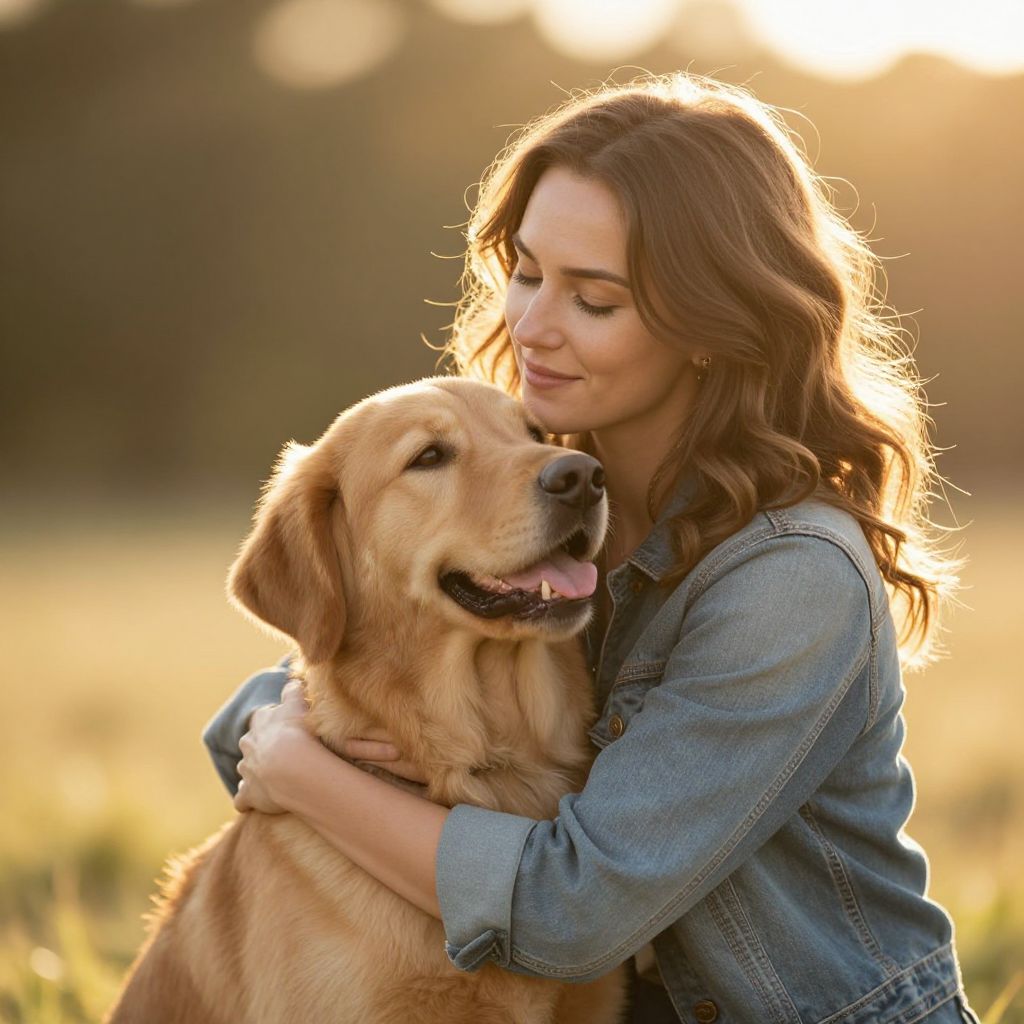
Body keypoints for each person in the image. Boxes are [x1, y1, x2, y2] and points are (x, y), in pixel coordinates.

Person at [203, 73, 978, 1023]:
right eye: (527, 274)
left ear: (710, 324)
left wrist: (308, 775)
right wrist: (272, 730)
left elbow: (574, 911)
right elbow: (304, 684)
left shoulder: (792, 580)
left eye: (595, 300)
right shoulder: (546, 514)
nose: (530, 327)